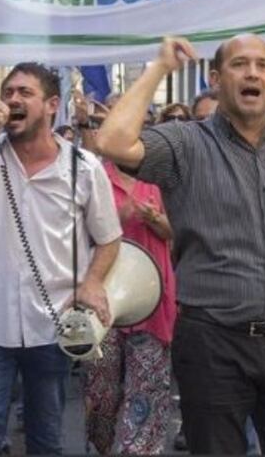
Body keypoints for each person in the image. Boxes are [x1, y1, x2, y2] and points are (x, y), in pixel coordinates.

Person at [95, 35, 265, 455]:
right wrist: (159, 68)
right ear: (216, 79)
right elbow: (111, 142)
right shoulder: (185, 143)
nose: (253, 72)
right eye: (240, 64)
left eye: (262, 64)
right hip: (211, 341)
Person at [0, 62, 122, 455]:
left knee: (45, 441)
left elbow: (109, 239)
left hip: (52, 329)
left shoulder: (84, 168)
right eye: (8, 92)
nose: (13, 99)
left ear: (51, 105)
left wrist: (92, 282)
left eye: (24, 93)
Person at [84, 157, 175, 455]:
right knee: (102, 390)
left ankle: (139, 450)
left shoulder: (161, 177)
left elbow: (178, 232)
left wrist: (157, 221)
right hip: (103, 297)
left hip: (150, 297)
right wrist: (116, 219)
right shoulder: (94, 174)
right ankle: (102, 444)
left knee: (147, 389)